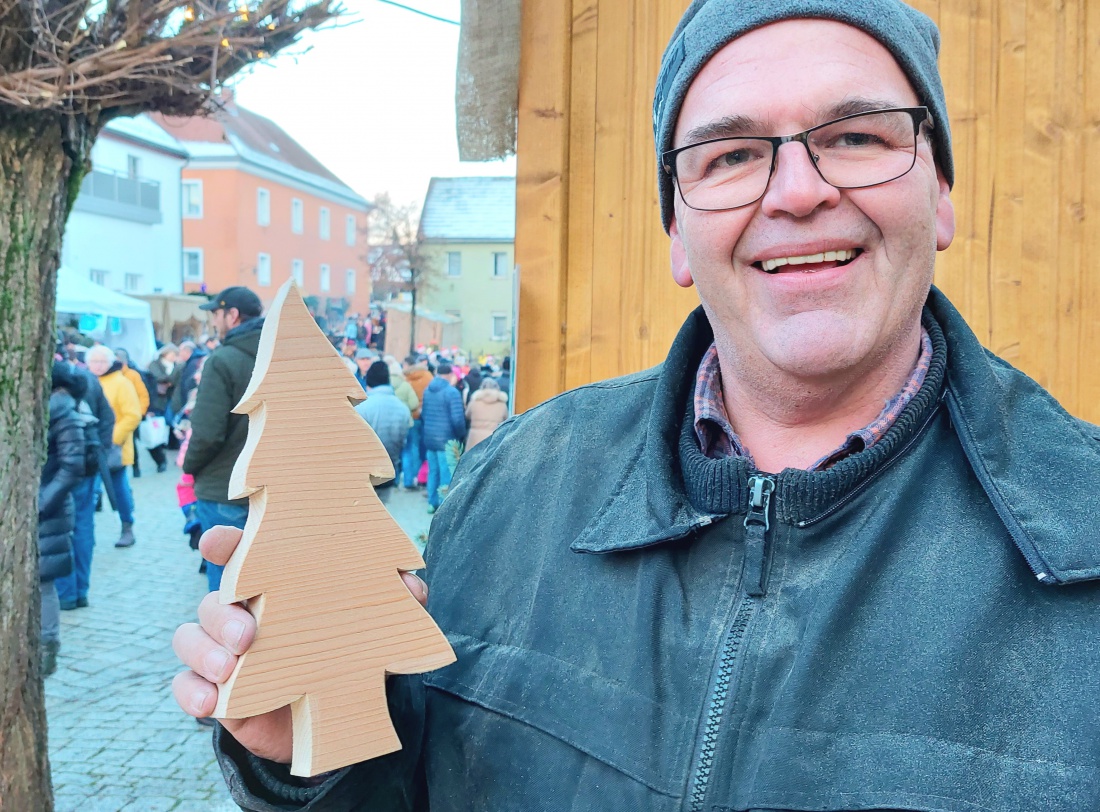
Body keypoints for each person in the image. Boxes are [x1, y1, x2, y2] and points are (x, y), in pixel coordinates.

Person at [173, 2, 1100, 809]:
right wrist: (301, 761)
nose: (799, 191)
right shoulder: (519, 480)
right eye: (732, 155)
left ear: (939, 192)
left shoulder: (1082, 538)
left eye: (857, 137)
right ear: (678, 234)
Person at [183, 286, 264, 592]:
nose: (214, 322)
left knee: (228, 588)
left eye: (216, 314)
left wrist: (190, 467)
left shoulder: (223, 360)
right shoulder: (283, 355)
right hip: (273, 487)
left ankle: (232, 641)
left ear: (232, 315)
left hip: (225, 488)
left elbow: (206, 433)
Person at [55, 359, 114, 611]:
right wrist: (98, 450)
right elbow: (107, 418)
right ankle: (79, 592)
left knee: (64, 529)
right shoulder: (88, 380)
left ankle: (69, 593)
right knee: (82, 527)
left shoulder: (55, 381)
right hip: (87, 462)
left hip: (64, 467)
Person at [38, 363, 86, 676]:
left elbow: (72, 466)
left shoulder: (64, 414)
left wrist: (40, 504)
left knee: (43, 580)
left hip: (47, 510)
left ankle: (47, 648)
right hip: (39, 506)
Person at [85, 344, 141, 548]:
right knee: (89, 491)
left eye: (102, 361)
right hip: (90, 449)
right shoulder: (85, 381)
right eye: (94, 361)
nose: (98, 366)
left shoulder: (121, 383)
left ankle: (127, 526)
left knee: (119, 489)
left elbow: (132, 415)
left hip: (114, 449)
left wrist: (111, 439)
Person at [354, 360, 412, 502]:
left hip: (363, 472)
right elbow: (403, 441)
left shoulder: (362, 407)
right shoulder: (403, 408)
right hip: (389, 470)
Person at [419, 362, 465, 514]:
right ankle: (444, 507)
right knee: (446, 473)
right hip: (447, 440)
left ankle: (432, 503)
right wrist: (460, 436)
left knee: (433, 472)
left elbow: (424, 415)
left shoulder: (427, 391)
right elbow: (457, 420)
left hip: (430, 438)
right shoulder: (452, 393)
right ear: (450, 375)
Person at [113, 348, 151, 478]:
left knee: (133, 442)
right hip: (116, 416)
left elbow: (143, 395)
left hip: (131, 415)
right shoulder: (111, 375)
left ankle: (136, 467)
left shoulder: (133, 375)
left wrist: (141, 412)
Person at [399, 354, 432, 490]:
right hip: (422, 416)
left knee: (408, 448)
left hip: (407, 417)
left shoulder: (404, 378)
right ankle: (419, 476)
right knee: (419, 447)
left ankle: (407, 478)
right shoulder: (428, 376)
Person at [146, 343, 178, 470]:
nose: (174, 357)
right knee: (159, 423)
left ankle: (169, 443)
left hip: (171, 397)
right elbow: (158, 377)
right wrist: (170, 379)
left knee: (170, 421)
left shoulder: (175, 365)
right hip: (158, 399)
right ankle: (161, 444)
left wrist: (169, 380)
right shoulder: (155, 364)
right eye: (172, 354)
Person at [464, 377, 508, 450]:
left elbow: (467, 415)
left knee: (473, 459)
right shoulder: (502, 404)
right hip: (493, 439)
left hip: (475, 439)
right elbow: (506, 419)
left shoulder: (474, 402)